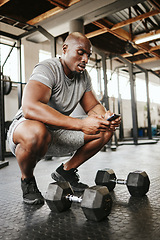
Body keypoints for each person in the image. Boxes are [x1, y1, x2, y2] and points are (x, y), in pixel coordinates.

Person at [7, 32, 121, 205]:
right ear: (65, 49)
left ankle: (66, 171)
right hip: (27, 129)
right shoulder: (48, 68)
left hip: (57, 132)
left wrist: (105, 117)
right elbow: (30, 107)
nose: (85, 59)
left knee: (105, 130)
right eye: (80, 52)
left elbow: (92, 107)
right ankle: (27, 180)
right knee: (36, 132)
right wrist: (81, 124)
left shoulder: (83, 77)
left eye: (88, 55)